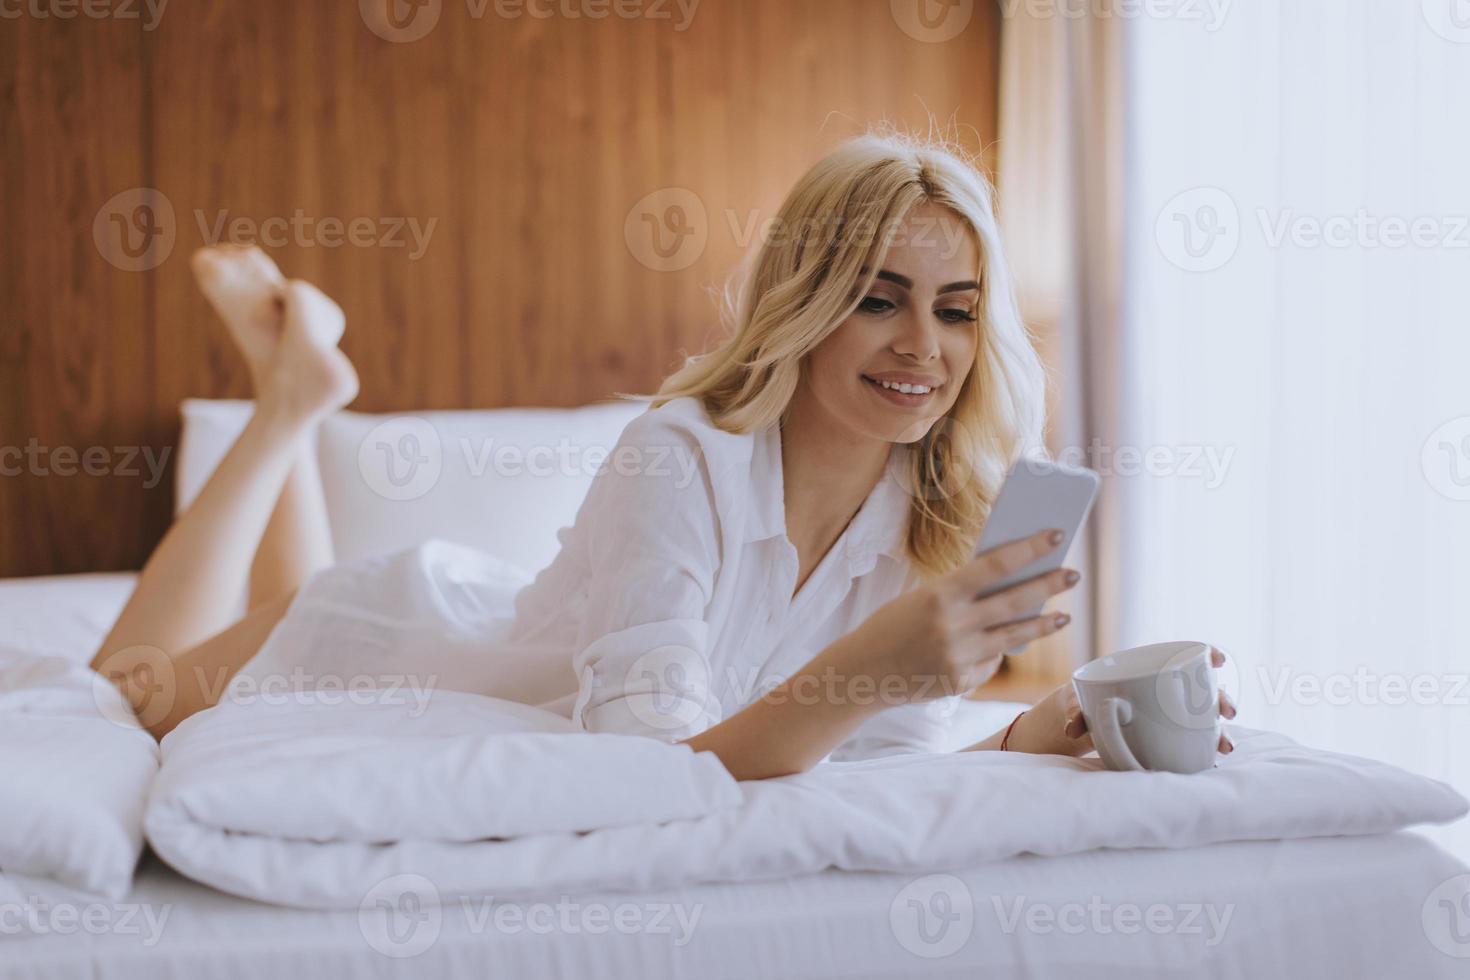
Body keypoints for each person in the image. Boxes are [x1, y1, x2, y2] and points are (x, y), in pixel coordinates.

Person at [91, 132, 1234, 778]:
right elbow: (651, 767)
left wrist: (1021, 733)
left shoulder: (941, 512)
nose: (921, 349)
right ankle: (290, 407)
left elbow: (870, 755)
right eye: (879, 300)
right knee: (122, 694)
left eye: (955, 310)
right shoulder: (675, 456)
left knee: (254, 612)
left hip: (488, 627)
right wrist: (868, 668)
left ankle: (297, 387)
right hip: (397, 648)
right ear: (808, 302)